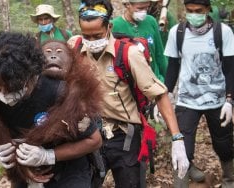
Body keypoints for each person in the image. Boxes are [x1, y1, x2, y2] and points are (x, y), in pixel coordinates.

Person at [67, 0, 190, 187]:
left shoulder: (128, 54)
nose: (91, 42)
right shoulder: (74, 47)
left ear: (109, 27)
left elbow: (159, 94)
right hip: (89, 134)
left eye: (97, 36)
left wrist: (177, 138)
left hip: (124, 137)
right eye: (87, 36)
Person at [0, 31, 103, 188]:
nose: (5, 93)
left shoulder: (61, 92)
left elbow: (94, 140)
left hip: (67, 169)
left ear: (32, 76)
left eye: (13, 88)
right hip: (24, 170)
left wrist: (48, 156)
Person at [164, 0, 234, 187]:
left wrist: (230, 100)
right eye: (189, 11)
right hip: (187, 100)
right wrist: (166, 94)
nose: (194, 14)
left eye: (199, 11)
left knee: (224, 145)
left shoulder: (223, 32)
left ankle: (229, 179)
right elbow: (172, 67)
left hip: (217, 100)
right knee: (182, 147)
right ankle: (182, 183)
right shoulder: (176, 33)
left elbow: (230, 69)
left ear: (208, 10)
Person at [111, 0, 167, 83]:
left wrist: (165, 81)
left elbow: (160, 55)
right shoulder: (115, 26)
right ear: (127, 5)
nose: (143, 12)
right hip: (130, 85)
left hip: (155, 81)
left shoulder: (151, 21)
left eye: (146, 8)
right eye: (140, 8)